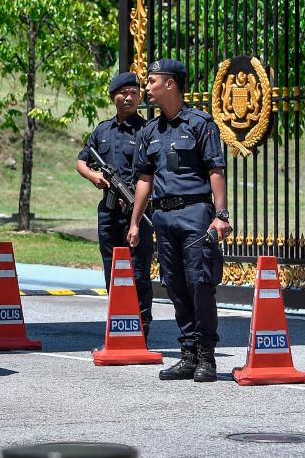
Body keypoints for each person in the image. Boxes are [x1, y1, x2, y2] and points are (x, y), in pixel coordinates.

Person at [128, 59, 232, 383]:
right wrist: (135, 222)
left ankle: (206, 357)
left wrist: (221, 215)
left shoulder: (201, 124)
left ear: (170, 84)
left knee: (199, 283)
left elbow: (216, 170)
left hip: (195, 214)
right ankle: (187, 354)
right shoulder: (149, 131)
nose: (147, 88)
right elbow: (144, 179)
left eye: (152, 81)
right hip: (163, 216)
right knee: (173, 286)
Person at [76, 71, 154, 334]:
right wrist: (94, 176)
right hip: (110, 211)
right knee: (111, 266)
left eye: (134, 93)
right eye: (124, 93)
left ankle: (141, 326)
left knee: (139, 269)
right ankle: (118, 320)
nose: (129, 97)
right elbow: (81, 161)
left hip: (137, 210)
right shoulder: (102, 131)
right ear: (114, 97)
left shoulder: (147, 130)